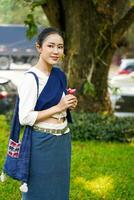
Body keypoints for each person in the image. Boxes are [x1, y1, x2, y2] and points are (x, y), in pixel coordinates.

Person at [18, 27, 78, 200]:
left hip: (62, 140)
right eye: (51, 46)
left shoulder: (59, 75)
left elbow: (58, 105)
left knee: (59, 190)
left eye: (60, 47)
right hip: (41, 142)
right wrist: (59, 107)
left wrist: (68, 105)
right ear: (39, 47)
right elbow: (25, 117)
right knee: (38, 190)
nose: (56, 51)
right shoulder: (31, 78)